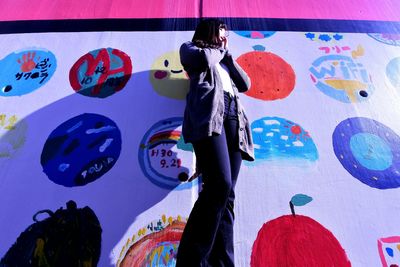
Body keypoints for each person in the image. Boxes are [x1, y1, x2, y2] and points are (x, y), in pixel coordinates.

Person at [176, 19, 255, 267]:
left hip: (234, 118)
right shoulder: (191, 49)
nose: (226, 34)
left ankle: (222, 263)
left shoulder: (223, 57)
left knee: (227, 194)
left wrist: (228, 56)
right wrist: (219, 50)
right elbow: (204, 62)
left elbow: (245, 84)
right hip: (211, 117)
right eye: (222, 29)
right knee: (218, 185)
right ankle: (192, 260)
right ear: (211, 30)